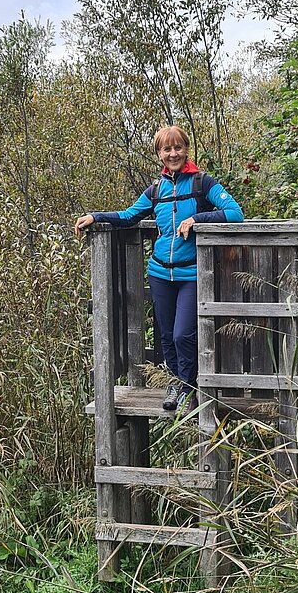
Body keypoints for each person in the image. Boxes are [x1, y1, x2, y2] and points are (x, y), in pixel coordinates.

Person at [75, 125, 244, 416]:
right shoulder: (156, 190)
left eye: (178, 147)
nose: (173, 153)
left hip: (191, 274)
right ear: (159, 154)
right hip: (159, 274)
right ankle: (175, 384)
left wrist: (196, 218)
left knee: (182, 335)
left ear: (186, 149)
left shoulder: (202, 183)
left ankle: (187, 385)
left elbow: (235, 213)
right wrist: (96, 216)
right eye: (167, 149)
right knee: (166, 337)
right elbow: (129, 216)